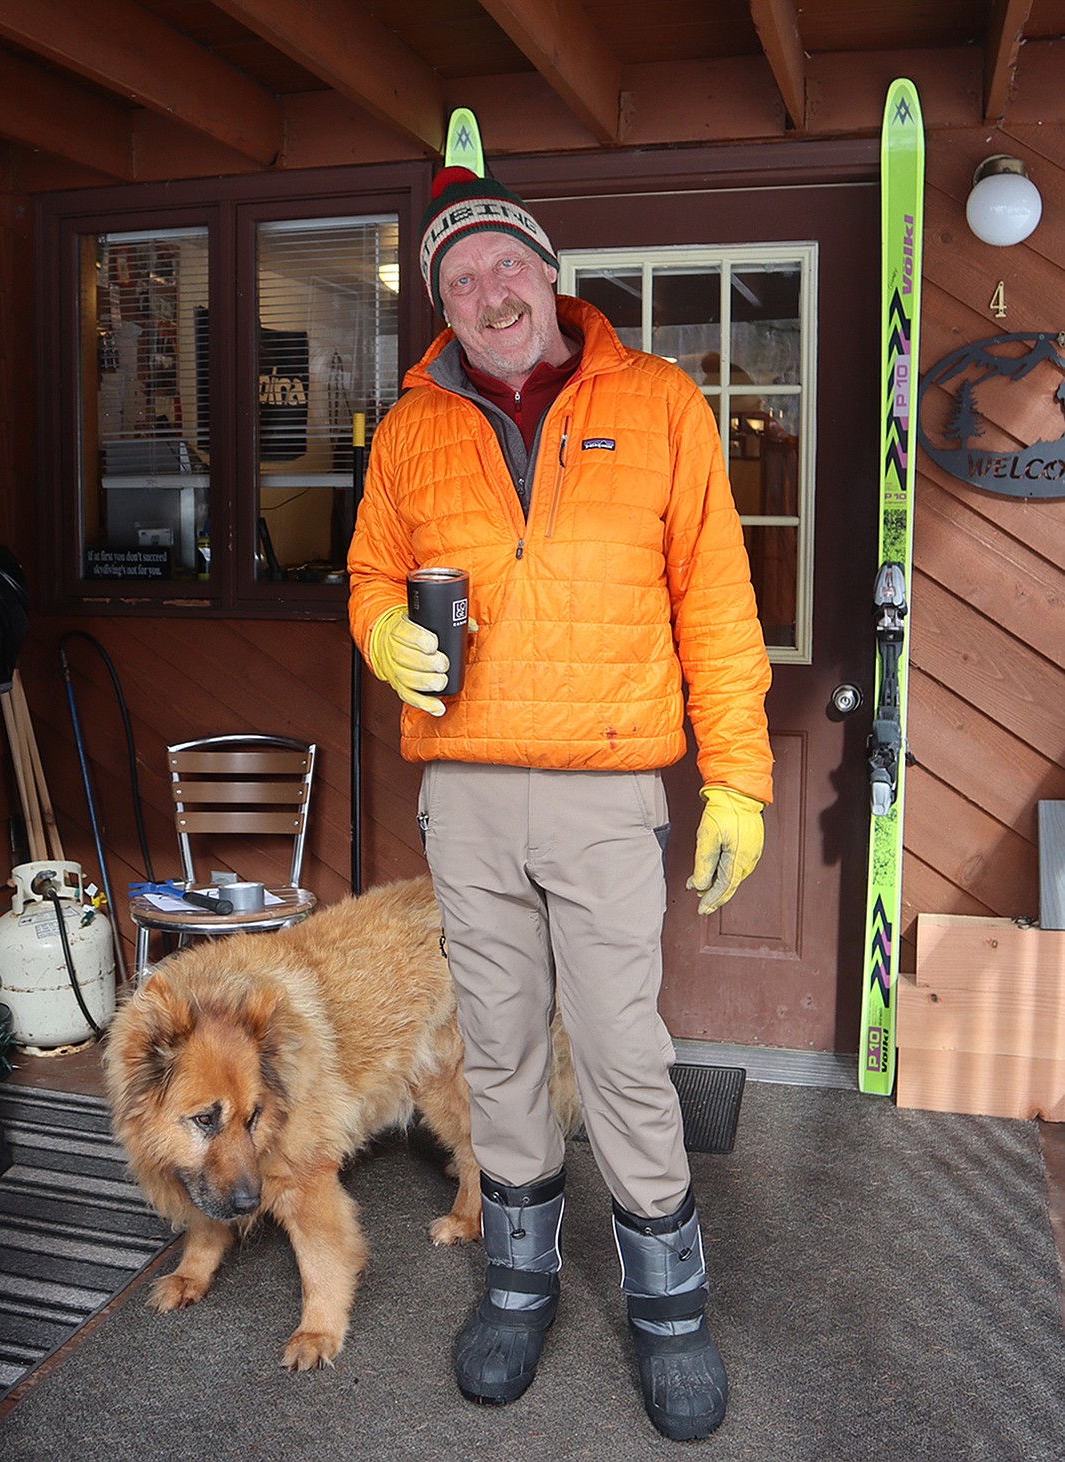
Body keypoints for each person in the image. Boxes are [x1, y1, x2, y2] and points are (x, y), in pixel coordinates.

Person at [347, 166, 773, 1442]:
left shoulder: (657, 403)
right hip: (467, 789)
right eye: (459, 279)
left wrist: (738, 780)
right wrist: (378, 631)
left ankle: (671, 1304)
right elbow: (371, 568)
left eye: (503, 266)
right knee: (500, 1042)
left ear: (547, 270)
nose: (488, 292)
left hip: (603, 785)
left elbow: (718, 605)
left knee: (626, 1049)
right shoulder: (409, 428)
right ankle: (520, 1281)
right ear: (444, 306)